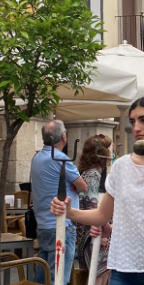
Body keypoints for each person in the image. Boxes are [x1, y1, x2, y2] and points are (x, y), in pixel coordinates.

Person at [51, 95, 144, 285]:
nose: (136, 127)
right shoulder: (122, 166)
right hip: (124, 268)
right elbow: (101, 215)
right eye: (133, 121)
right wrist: (70, 212)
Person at [31, 120, 88, 285]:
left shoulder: (37, 158)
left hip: (43, 224)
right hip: (61, 225)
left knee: (43, 276)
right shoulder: (60, 159)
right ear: (64, 137)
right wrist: (74, 184)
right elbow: (83, 186)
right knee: (59, 278)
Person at [76, 134, 113, 285]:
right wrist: (101, 233)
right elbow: (93, 207)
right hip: (94, 234)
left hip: (90, 233)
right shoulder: (93, 176)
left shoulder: (86, 174)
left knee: (101, 274)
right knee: (98, 276)